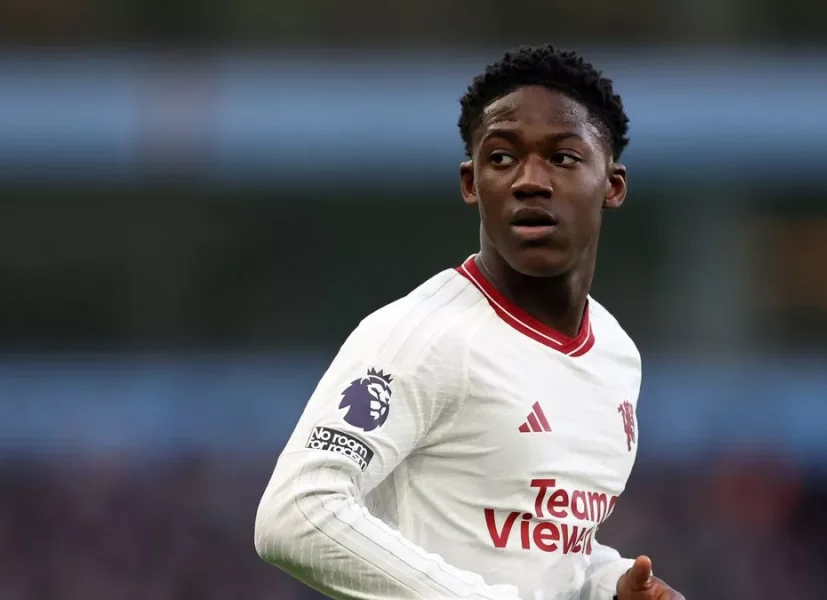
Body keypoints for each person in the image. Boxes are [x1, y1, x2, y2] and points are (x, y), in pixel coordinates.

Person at [254, 44, 683, 600]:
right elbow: (295, 513)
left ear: (613, 186)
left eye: (563, 158)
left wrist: (605, 586)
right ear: (471, 183)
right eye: (501, 158)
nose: (529, 180)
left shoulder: (616, 354)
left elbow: (543, 545)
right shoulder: (422, 335)